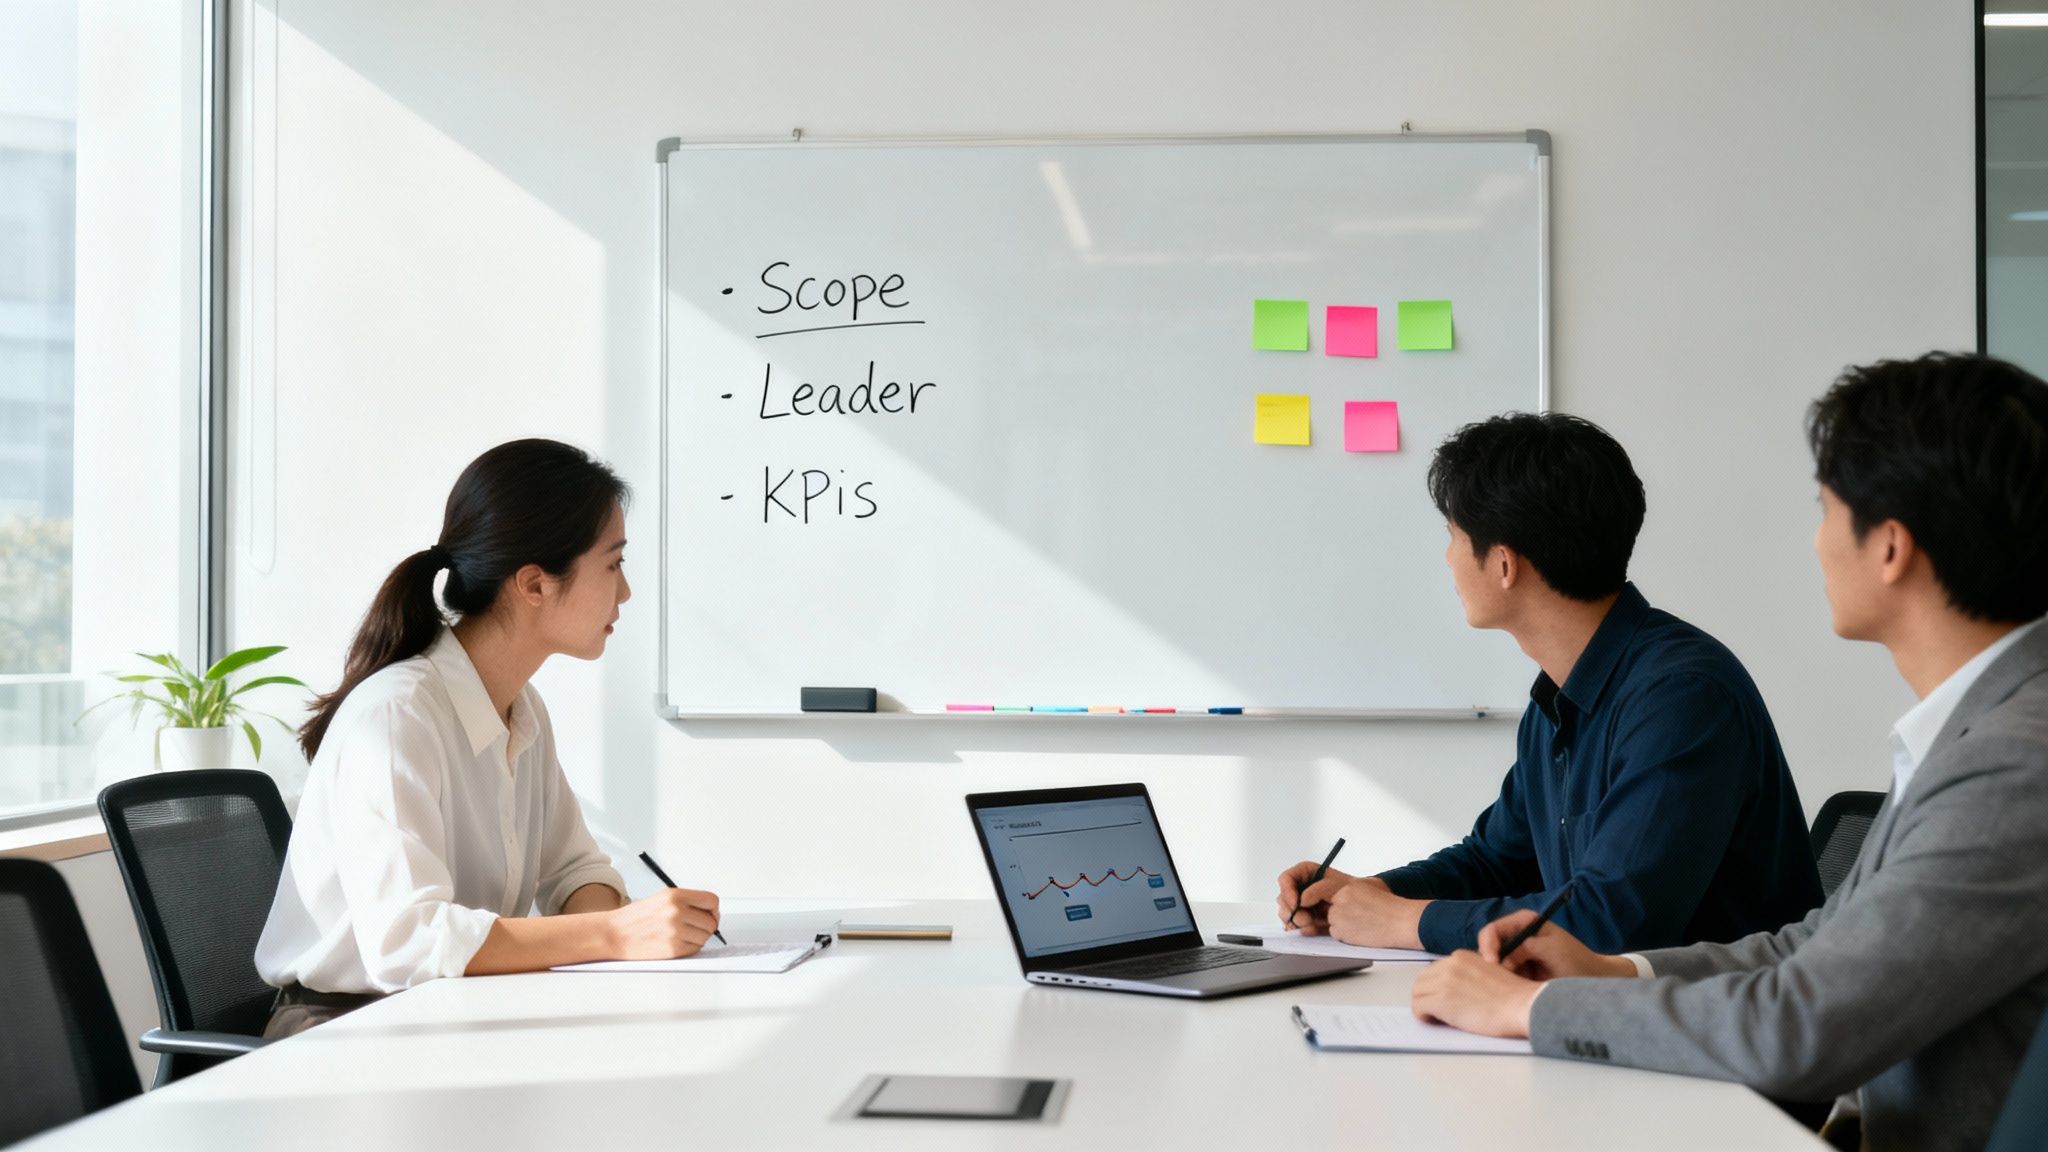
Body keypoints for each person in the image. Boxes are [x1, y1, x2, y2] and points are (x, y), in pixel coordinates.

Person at [1411, 353, 2048, 1152]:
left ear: (1890, 547)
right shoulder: (1975, 735)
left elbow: (1803, 1027)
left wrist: (1528, 1009)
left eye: (1825, 509)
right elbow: (1809, 950)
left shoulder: (2014, 764)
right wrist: (1609, 973)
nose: (1816, 542)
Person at [1277, 413, 1821, 955]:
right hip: (1608, 1001)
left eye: (1453, 536)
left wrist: (1406, 921)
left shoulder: (1682, 698)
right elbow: (1496, 861)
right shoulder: (1557, 699)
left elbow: (1611, 921)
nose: (1447, 558)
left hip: (1715, 1005)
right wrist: (1371, 893)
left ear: (1504, 564)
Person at [255, 439, 720, 1038]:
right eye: (613, 564)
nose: (625, 592)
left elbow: (573, 869)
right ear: (534, 584)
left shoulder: (521, 709)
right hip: (341, 1029)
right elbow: (407, 941)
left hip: (448, 1009)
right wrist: (613, 933)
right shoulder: (397, 716)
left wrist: (622, 935)